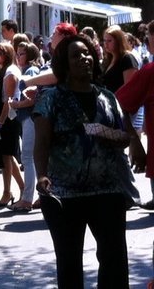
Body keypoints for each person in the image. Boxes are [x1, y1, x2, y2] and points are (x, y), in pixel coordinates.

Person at [33, 35, 131, 288]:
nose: (84, 58)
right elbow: (42, 141)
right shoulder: (51, 98)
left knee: (115, 260)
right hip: (64, 194)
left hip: (108, 190)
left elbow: (125, 137)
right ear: (64, 63)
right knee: (69, 263)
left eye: (87, 53)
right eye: (76, 55)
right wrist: (41, 174)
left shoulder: (108, 97)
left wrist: (102, 131)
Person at [116, 20, 154, 210]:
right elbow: (118, 103)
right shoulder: (149, 71)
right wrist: (135, 140)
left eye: (148, 39)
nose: (146, 44)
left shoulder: (149, 72)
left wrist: (134, 141)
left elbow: (116, 104)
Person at [7, 42, 41, 212]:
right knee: (33, 158)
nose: (18, 57)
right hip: (28, 119)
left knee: (28, 158)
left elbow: (33, 99)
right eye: (17, 54)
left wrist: (16, 105)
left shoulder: (31, 71)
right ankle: (39, 196)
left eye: (21, 54)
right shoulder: (27, 71)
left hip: (30, 118)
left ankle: (27, 198)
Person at [0, 42, 24, 208]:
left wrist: (0, 122)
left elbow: (9, 102)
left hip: (9, 119)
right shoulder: (4, 71)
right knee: (7, 156)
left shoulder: (10, 72)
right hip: (5, 118)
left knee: (8, 155)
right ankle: (11, 190)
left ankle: (15, 190)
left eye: (1, 53)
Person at [102, 24, 139, 93]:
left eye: (109, 41)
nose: (106, 44)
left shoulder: (127, 58)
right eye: (104, 40)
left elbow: (130, 89)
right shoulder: (109, 59)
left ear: (118, 41)